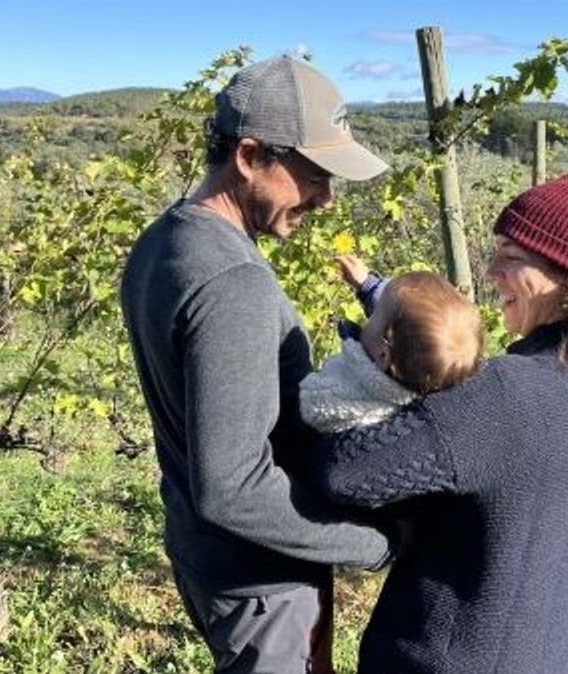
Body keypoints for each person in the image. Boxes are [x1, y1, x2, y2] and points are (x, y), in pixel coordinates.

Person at [308, 163, 568, 674]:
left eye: (513, 257)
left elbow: (344, 472)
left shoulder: (504, 393)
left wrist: (339, 391)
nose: (492, 272)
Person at [119, 55, 395, 674]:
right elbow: (235, 489)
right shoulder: (233, 282)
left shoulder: (164, 239)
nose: (326, 198)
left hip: (210, 557)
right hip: (262, 583)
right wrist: (378, 544)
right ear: (249, 156)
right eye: (315, 174)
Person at [299, 261, 484, 434]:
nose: (367, 318)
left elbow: (305, 403)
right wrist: (367, 286)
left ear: (383, 355)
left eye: (374, 316)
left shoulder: (335, 396)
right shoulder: (431, 388)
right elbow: (405, 321)